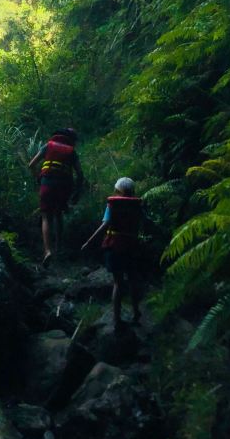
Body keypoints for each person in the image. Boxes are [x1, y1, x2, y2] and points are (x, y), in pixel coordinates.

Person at [82, 177, 144, 332]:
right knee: (133, 279)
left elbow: (105, 226)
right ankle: (136, 312)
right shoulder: (137, 206)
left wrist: (89, 242)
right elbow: (145, 222)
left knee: (118, 283)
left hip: (114, 246)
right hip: (131, 247)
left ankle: (116, 320)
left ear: (117, 190)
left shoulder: (113, 205)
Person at [28, 127, 83, 267]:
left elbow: (31, 165)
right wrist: (77, 192)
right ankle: (59, 248)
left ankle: (47, 251)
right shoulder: (72, 151)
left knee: (46, 217)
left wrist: (38, 179)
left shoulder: (48, 146)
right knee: (58, 214)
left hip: (47, 183)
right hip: (64, 186)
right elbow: (80, 174)